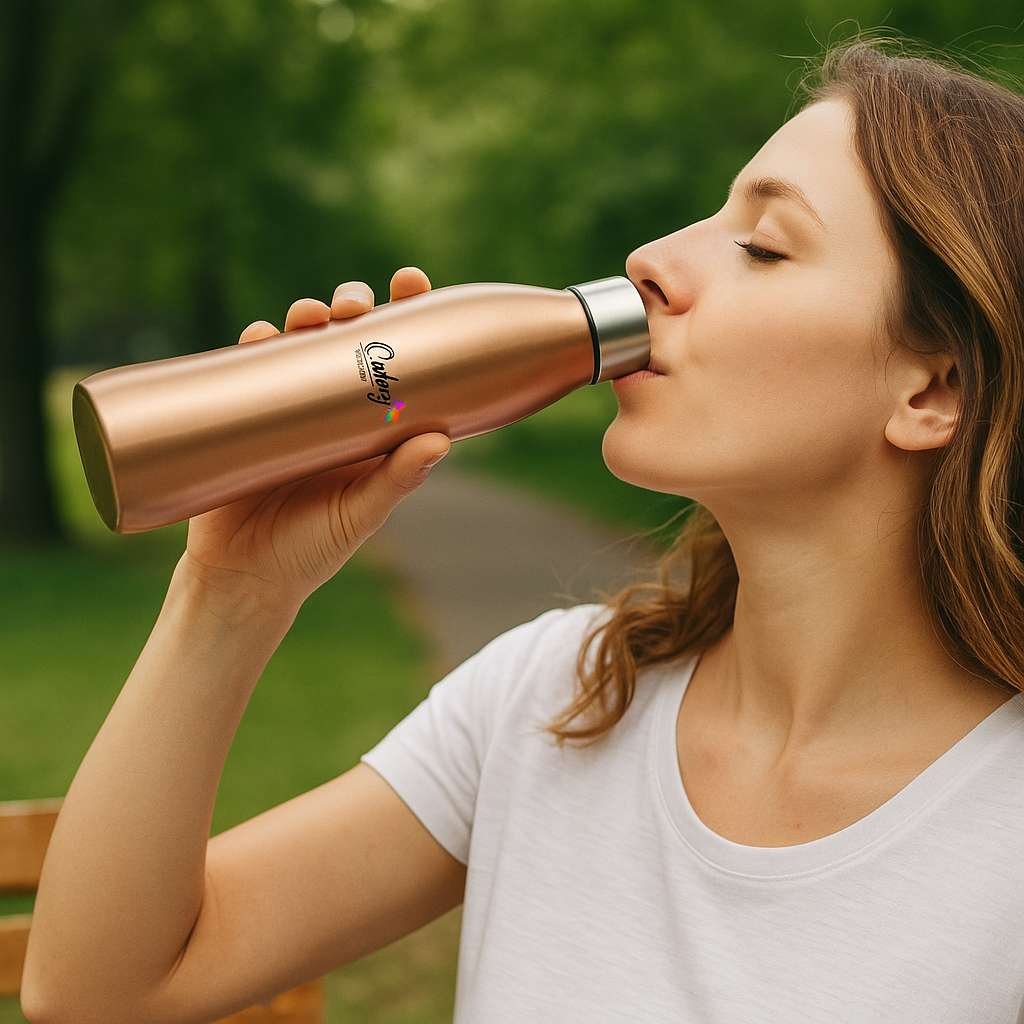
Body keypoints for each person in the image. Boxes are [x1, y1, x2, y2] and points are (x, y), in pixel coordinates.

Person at [22, 30, 1024, 1024]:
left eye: (763, 245)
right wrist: (230, 593)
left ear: (931, 389)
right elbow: (99, 992)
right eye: (712, 217)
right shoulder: (559, 700)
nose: (651, 260)